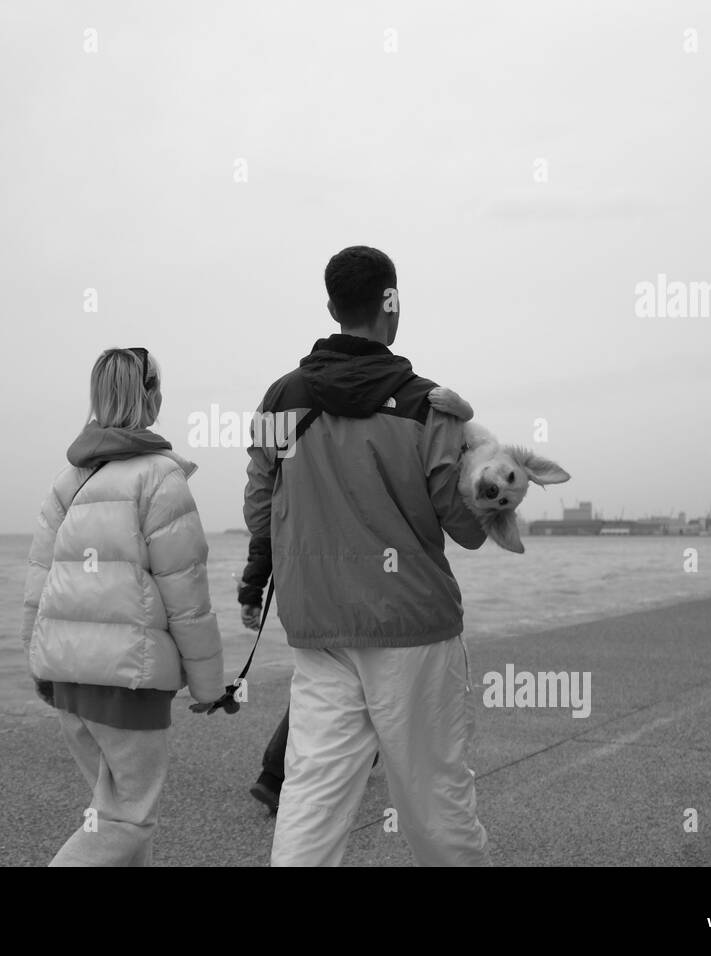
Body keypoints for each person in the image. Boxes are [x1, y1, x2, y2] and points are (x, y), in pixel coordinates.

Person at [242, 245, 496, 866]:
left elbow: (260, 507)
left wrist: (255, 582)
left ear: (331, 308)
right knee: (436, 800)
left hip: (320, 629)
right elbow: (466, 527)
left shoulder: (280, 401)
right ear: (392, 303)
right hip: (413, 627)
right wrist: (487, 468)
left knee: (311, 799)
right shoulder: (431, 405)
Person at [22, 347, 226, 866]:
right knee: (127, 819)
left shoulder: (68, 481)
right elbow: (187, 592)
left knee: (111, 813)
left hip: (70, 678)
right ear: (151, 396)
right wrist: (208, 685)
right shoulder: (159, 477)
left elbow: (39, 586)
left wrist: (38, 664)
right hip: (127, 680)